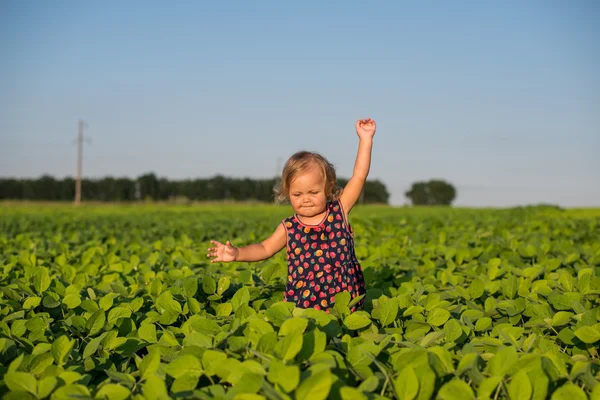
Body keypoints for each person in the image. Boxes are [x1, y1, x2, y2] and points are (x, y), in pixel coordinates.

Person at [207, 118, 377, 312]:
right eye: (297, 194)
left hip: (346, 303)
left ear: (328, 188)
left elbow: (359, 176)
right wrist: (237, 253)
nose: (305, 199)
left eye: (313, 193)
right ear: (287, 193)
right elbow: (264, 248)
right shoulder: (290, 227)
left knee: (347, 339)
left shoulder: (339, 210)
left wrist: (365, 139)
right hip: (305, 307)